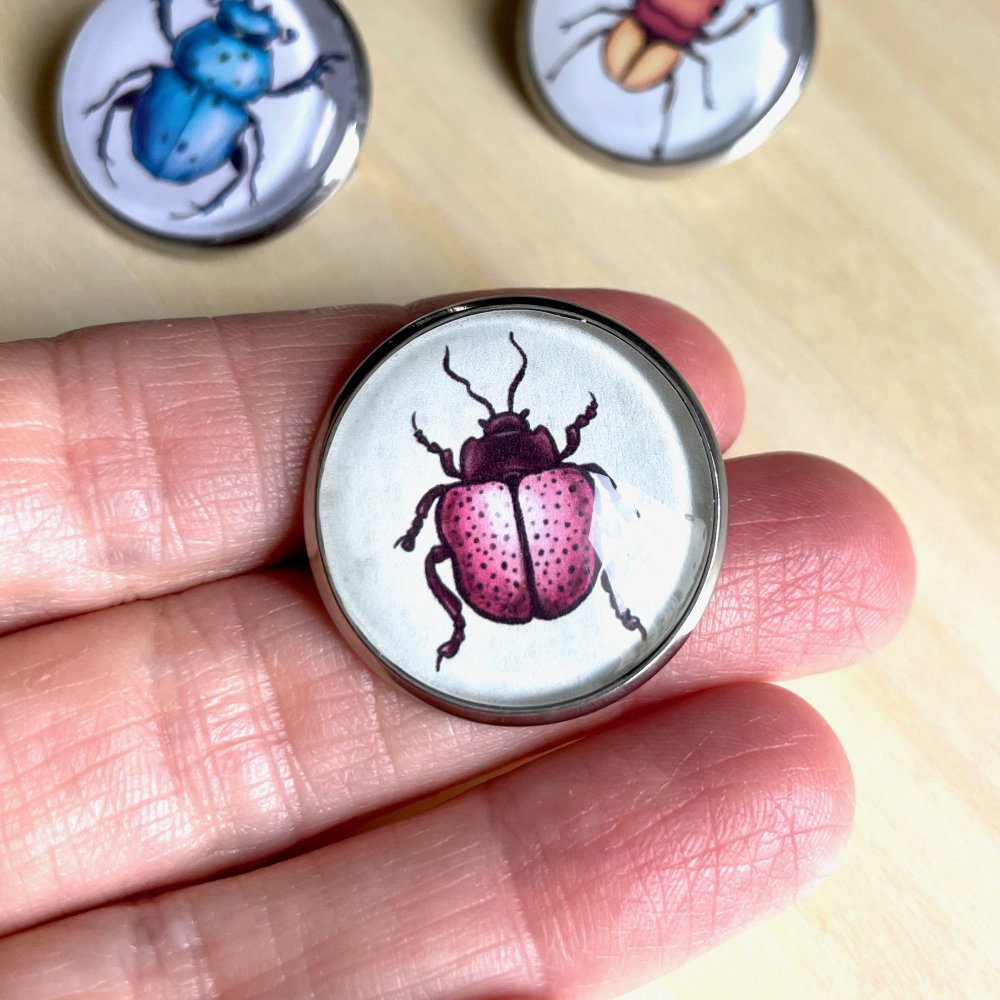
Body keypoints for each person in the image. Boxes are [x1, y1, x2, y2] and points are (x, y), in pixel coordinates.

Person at [0, 289, 913, 999]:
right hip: (555, 589)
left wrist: (421, 559)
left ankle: (460, 630)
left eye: (498, 425)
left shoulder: (458, 495)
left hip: (503, 597)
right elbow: (580, 492)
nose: (500, 427)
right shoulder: (566, 476)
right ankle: (569, 617)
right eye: (501, 424)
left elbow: (447, 517)